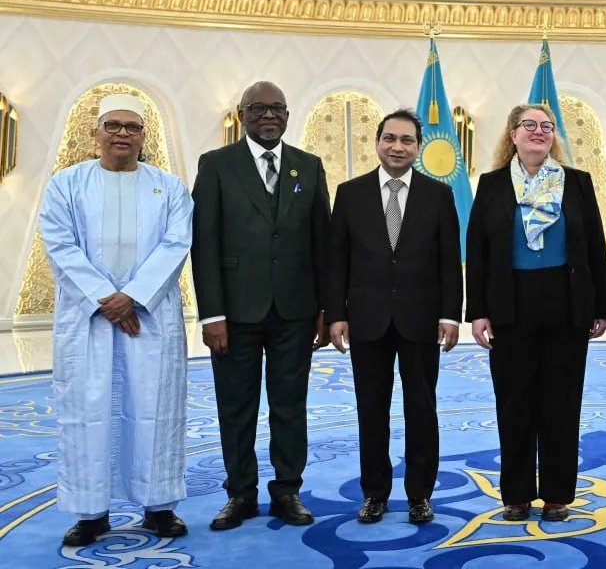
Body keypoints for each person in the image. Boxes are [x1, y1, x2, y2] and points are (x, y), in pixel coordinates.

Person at [40, 94, 193, 546]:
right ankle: (91, 513)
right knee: (87, 410)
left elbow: (176, 244)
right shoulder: (66, 184)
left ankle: (159, 507)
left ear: (144, 137)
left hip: (150, 318)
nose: (123, 133)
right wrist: (107, 299)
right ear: (97, 133)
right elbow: (60, 245)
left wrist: (133, 297)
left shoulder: (170, 187)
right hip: (89, 320)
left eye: (132, 127)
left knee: (155, 408)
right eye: (113, 125)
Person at [191, 80, 331, 530]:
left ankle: (288, 490)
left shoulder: (309, 167)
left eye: (277, 108)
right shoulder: (216, 165)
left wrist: (325, 309)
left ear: (287, 115)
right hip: (234, 314)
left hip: (295, 310)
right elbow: (204, 243)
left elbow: (322, 243)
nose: (268, 116)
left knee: (290, 406)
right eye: (258, 108)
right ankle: (240, 494)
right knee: (236, 408)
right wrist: (212, 313)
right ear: (241, 115)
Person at [466, 104, 606, 522]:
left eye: (546, 126)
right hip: (510, 303)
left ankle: (556, 494)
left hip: (567, 302)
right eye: (528, 125)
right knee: (514, 403)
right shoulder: (492, 185)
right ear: (512, 134)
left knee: (561, 403)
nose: (538, 131)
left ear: (554, 136)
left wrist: (600, 306)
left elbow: (594, 245)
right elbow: (478, 251)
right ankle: (515, 494)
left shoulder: (576, 182)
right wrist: (478, 311)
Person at [326, 109, 462, 525]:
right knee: (371, 410)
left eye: (406, 140)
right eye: (390, 138)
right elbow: (337, 261)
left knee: (421, 408)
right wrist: (336, 315)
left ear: (418, 147)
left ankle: (420, 494)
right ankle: (375, 493)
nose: (397, 147)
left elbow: (449, 261)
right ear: (377, 142)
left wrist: (450, 315)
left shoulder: (439, 195)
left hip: (421, 319)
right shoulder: (350, 194)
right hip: (366, 319)